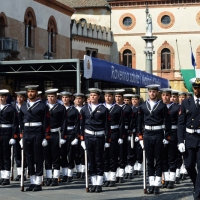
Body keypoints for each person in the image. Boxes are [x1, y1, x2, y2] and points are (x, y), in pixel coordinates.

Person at [137, 84, 171, 195]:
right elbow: (139, 123)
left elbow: (168, 122)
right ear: (148, 92)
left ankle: (157, 185)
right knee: (150, 161)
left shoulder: (162, 106)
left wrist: (167, 137)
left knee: (159, 160)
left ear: (157, 93)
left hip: (158, 134)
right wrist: (140, 137)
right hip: (147, 134)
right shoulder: (142, 106)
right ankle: (151, 184)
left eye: (154, 92)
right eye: (150, 91)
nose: (152, 93)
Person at [80, 88, 110, 193]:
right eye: (91, 95)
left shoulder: (103, 109)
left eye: (94, 95)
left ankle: (99, 183)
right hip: (88, 136)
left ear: (98, 97)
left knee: (99, 159)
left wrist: (107, 140)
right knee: (91, 160)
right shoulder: (84, 109)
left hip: (99, 137)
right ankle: (93, 183)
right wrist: (82, 139)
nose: (92, 97)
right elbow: (82, 125)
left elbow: (107, 125)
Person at [19, 85, 47, 191]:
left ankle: (38, 182)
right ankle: (32, 181)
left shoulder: (42, 106)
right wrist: (21, 135)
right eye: (29, 91)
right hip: (27, 132)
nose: (30, 93)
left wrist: (45, 136)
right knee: (29, 157)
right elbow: (20, 122)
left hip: (38, 132)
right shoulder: (23, 106)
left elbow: (45, 122)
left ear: (36, 93)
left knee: (38, 157)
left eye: (32, 91)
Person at [178, 77, 200, 199]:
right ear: (192, 88)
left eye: (199, 88)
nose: (197, 90)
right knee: (189, 165)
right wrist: (180, 141)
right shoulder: (186, 102)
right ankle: (197, 185)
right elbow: (181, 123)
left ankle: (197, 194)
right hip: (190, 137)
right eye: (195, 87)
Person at [43, 89, 66, 186]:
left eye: (52, 96)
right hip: (46, 134)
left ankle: (56, 177)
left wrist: (63, 136)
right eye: (49, 96)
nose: (50, 98)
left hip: (56, 133)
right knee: (47, 156)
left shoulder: (61, 108)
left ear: (56, 97)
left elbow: (64, 122)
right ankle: (48, 177)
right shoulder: (43, 107)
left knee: (56, 156)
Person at [103, 90, 124, 187]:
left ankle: (112, 177)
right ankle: (106, 177)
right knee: (104, 156)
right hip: (103, 134)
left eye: (109, 96)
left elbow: (121, 124)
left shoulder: (118, 108)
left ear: (113, 97)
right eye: (106, 96)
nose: (107, 98)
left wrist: (120, 136)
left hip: (114, 133)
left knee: (113, 156)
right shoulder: (101, 107)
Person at [160, 88, 179, 189]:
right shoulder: (159, 106)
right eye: (163, 95)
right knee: (163, 157)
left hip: (172, 134)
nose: (165, 97)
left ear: (170, 96)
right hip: (161, 134)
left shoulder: (176, 107)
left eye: (167, 95)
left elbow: (180, 123)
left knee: (172, 157)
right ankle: (166, 179)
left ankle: (172, 179)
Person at [60, 91, 80, 183]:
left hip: (71, 133)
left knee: (70, 154)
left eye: (66, 97)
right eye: (63, 97)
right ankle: (64, 174)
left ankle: (70, 174)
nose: (65, 99)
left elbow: (77, 124)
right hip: (60, 133)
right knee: (62, 154)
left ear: (70, 98)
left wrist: (76, 137)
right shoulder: (59, 109)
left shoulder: (74, 110)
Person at [0, 89, 17, 185]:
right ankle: (1, 175)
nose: (1, 98)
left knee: (6, 155)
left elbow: (14, 124)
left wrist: (13, 137)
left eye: (3, 96)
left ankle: (6, 176)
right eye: (0, 97)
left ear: (6, 97)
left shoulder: (11, 109)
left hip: (7, 133)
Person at [115, 90, 132, 183]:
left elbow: (130, 121)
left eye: (119, 97)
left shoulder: (127, 108)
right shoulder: (113, 107)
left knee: (122, 153)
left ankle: (121, 174)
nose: (118, 98)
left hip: (124, 132)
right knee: (114, 154)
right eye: (116, 96)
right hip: (114, 132)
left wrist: (130, 133)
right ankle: (115, 173)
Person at [13, 91, 27, 181]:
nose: (19, 98)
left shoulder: (26, 106)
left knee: (25, 153)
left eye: (21, 97)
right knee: (16, 152)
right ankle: (19, 173)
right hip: (15, 131)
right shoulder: (12, 107)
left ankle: (24, 172)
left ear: (24, 98)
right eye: (18, 97)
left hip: (25, 130)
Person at [74, 93, 85, 179]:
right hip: (74, 132)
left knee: (83, 152)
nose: (78, 100)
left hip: (84, 131)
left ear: (82, 100)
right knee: (76, 152)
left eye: (80, 98)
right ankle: (78, 170)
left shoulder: (85, 109)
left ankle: (83, 170)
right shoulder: (72, 109)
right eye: (76, 99)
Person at [131, 94, 143, 176]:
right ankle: (134, 166)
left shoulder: (140, 108)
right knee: (132, 150)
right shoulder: (130, 109)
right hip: (132, 131)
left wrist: (139, 133)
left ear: (138, 100)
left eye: (135, 99)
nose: (134, 101)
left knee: (139, 150)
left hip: (139, 131)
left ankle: (140, 167)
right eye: (133, 99)